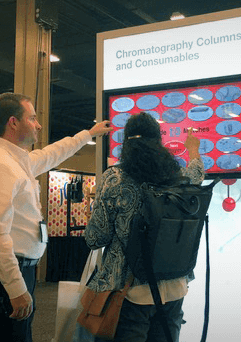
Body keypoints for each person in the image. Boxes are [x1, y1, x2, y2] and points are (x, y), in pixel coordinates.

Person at [0, 92, 112, 342]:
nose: (38, 124)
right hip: (2, 275)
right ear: (13, 122)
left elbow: (50, 154)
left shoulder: (14, 161)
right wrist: (15, 288)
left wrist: (88, 134)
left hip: (13, 271)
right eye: (32, 118)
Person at [83, 112, 204, 342]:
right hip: (174, 286)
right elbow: (195, 176)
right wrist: (194, 150)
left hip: (130, 292)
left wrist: (94, 219)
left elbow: (96, 238)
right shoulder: (175, 177)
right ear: (158, 142)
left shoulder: (115, 178)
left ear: (126, 144)